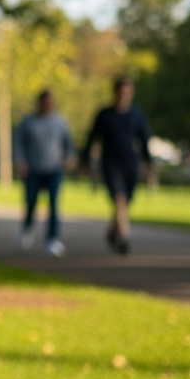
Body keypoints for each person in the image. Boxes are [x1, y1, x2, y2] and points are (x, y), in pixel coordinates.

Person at [81, 75, 153, 255]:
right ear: (114, 93)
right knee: (119, 200)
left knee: (123, 203)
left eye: (126, 93)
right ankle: (124, 237)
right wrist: (86, 162)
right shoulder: (105, 115)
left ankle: (113, 231)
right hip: (110, 164)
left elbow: (144, 141)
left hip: (130, 164)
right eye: (120, 92)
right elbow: (91, 139)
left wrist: (149, 165)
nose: (123, 96)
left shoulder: (136, 115)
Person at [13, 89, 76, 257]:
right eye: (44, 102)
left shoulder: (60, 122)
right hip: (33, 169)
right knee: (31, 202)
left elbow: (69, 144)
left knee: (54, 205)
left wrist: (69, 158)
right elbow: (18, 143)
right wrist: (20, 161)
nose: (47, 105)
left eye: (50, 102)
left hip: (54, 169)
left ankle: (53, 239)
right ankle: (27, 228)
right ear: (39, 103)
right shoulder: (28, 122)